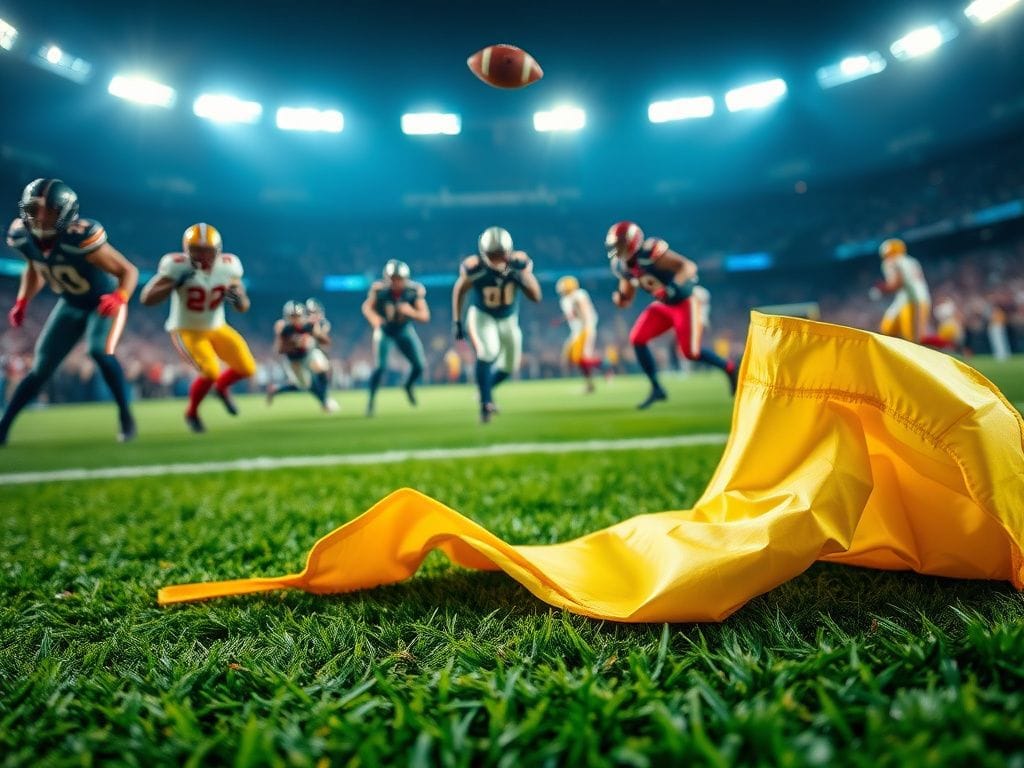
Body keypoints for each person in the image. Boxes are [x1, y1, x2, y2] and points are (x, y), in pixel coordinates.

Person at [1, 179, 137, 444]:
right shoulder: (21, 235)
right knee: (40, 368)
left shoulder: (79, 236)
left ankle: (125, 415)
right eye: (33, 209)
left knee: (99, 350)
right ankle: (3, 426)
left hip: (102, 302)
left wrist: (120, 296)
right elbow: (34, 268)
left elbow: (127, 271)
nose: (39, 217)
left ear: (64, 212)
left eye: (49, 211)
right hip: (70, 303)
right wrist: (22, 301)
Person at [605, 221, 738, 409]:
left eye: (620, 244)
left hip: (684, 303)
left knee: (690, 353)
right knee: (637, 338)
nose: (616, 250)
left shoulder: (650, 253)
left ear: (632, 242)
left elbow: (688, 267)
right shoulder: (622, 267)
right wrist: (620, 299)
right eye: (615, 245)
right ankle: (656, 388)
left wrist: (673, 287)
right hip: (663, 305)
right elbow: (627, 297)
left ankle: (730, 368)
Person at [139, 223, 255, 433]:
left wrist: (238, 298)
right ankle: (191, 412)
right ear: (186, 249)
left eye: (207, 251)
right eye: (196, 250)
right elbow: (146, 298)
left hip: (217, 326)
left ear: (218, 251)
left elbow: (243, 306)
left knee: (248, 368)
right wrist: (174, 283)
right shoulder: (175, 265)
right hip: (186, 329)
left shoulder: (230, 266)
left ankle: (221, 388)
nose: (202, 256)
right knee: (210, 370)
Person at [452, 226, 542, 423]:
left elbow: (536, 296)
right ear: (484, 253)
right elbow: (460, 289)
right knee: (487, 352)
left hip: (508, 318)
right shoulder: (474, 267)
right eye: (492, 255)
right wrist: (457, 320)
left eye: (500, 254)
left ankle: (485, 389)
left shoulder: (519, 264)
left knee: (510, 365)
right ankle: (485, 404)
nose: (497, 260)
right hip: (482, 316)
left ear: (508, 251)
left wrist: (523, 278)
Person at [362, 259, 430, 416]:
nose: (395, 282)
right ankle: (371, 401)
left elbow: (425, 316)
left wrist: (410, 312)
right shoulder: (379, 291)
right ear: (387, 278)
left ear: (405, 279)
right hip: (385, 330)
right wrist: (375, 320)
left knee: (419, 365)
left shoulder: (413, 291)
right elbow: (367, 307)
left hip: (404, 329)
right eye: (393, 278)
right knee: (381, 367)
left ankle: (408, 385)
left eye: (399, 279)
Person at [267, 301, 337, 412]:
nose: (295, 320)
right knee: (305, 385)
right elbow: (280, 350)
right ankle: (277, 389)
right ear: (287, 317)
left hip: (308, 354)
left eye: (297, 316)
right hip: (294, 360)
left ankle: (325, 401)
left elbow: (326, 342)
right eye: (292, 317)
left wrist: (317, 332)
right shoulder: (285, 329)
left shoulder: (309, 325)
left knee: (322, 367)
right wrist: (295, 344)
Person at [870, 238, 932, 344]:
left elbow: (897, 283)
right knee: (889, 328)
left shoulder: (892, 262)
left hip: (912, 300)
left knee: (912, 340)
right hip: (915, 298)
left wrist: (881, 290)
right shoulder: (911, 260)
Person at [556, 275, 601, 393]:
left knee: (581, 358)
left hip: (585, 329)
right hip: (576, 330)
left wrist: (586, 331)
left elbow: (585, 314)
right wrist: (566, 317)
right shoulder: (566, 300)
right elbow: (573, 314)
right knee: (570, 356)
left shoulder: (578, 295)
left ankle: (605, 367)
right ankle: (590, 383)